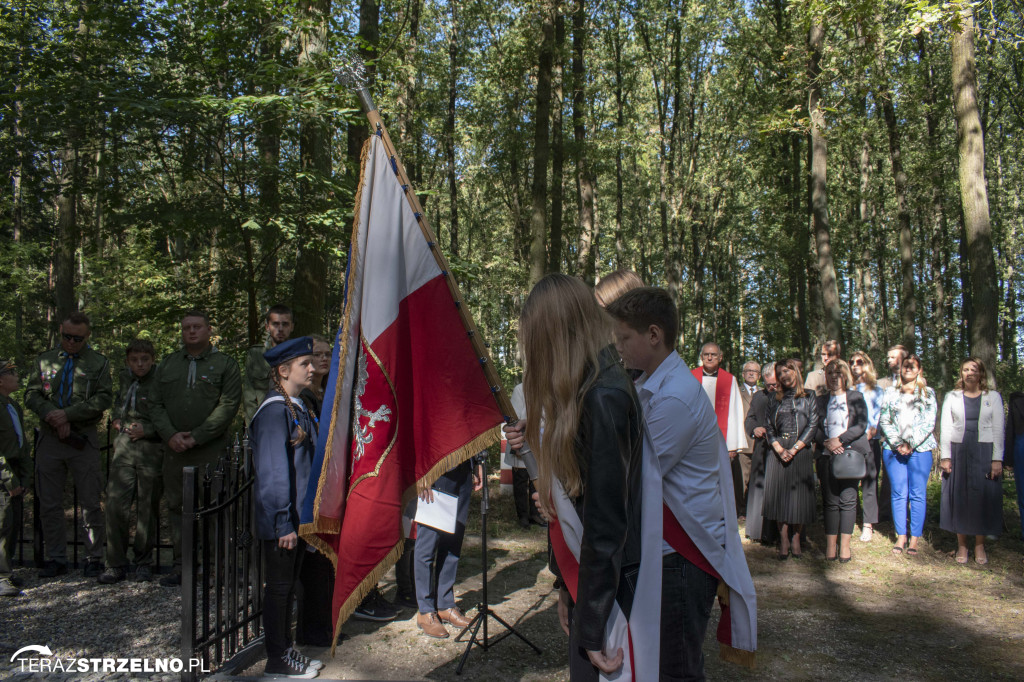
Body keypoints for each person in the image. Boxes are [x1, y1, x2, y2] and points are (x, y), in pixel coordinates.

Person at [504, 274, 651, 681]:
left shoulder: (603, 396)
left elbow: (606, 525)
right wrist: (567, 588)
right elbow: (578, 495)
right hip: (595, 584)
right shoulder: (588, 388)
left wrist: (592, 624)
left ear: (554, 334)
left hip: (615, 591)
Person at [607, 287, 757, 678]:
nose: (618, 347)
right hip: (670, 549)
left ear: (653, 335)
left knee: (675, 666)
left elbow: (628, 473)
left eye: (624, 338)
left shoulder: (674, 398)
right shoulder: (654, 384)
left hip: (682, 554)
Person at [150, 310, 242, 586]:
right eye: (187, 327)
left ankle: (217, 568)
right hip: (174, 451)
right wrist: (170, 435)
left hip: (210, 450)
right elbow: (155, 404)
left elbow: (228, 406)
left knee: (214, 507)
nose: (191, 331)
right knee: (178, 508)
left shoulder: (225, 364)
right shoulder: (167, 365)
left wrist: (197, 437)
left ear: (208, 330)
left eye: (197, 327)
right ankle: (184, 566)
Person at [251, 336, 322, 678]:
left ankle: (286, 649)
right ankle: (276, 659)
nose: (312, 368)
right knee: (279, 590)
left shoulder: (301, 405)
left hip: (298, 518)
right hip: (283, 522)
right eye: (305, 364)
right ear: (283, 370)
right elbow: (274, 472)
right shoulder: (274, 412)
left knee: (290, 586)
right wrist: (283, 523)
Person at [25, 311, 112, 578]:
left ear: (87, 336)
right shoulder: (45, 360)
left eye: (78, 338)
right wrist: (53, 415)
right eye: (67, 336)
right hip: (50, 440)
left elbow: (104, 398)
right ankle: (56, 557)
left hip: (82, 440)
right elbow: (31, 394)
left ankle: (94, 557)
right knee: (49, 502)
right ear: (60, 331)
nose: (72, 342)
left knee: (90, 502)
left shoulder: (98, 363)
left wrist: (68, 415)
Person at [99, 339, 164, 584]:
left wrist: (147, 430)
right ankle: (115, 563)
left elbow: (168, 414)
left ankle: (143, 562)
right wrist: (117, 419)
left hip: (150, 449)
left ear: (152, 359)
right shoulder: (126, 378)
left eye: (144, 359)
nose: (139, 364)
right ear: (127, 361)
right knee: (116, 505)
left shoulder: (161, 380)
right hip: (124, 447)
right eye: (134, 360)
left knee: (147, 509)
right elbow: (119, 403)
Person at [939, 358, 1004, 565]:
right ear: (961, 373)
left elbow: (998, 429)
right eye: (965, 369)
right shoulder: (952, 396)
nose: (969, 373)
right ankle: (962, 545)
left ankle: (979, 545)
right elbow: (946, 427)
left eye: (973, 370)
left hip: (984, 450)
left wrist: (997, 459)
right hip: (959, 450)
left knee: (981, 498)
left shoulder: (992, 397)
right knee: (960, 497)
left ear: (980, 373)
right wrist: (945, 456)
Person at [414, 454, 485, 638]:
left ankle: (445, 604)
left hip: (463, 465)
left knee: (453, 543)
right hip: (435, 467)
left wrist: (477, 462)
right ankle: (425, 611)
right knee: (427, 546)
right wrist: (422, 471)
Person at [295, 334, 337, 645]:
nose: (322, 360)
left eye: (327, 354)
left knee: (326, 560)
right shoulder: (301, 399)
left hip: (329, 484)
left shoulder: (328, 393)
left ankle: (325, 621)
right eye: (316, 355)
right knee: (313, 560)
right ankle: (313, 627)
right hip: (309, 484)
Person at [878, 354, 937, 557]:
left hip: (919, 450)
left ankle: (915, 538)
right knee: (898, 493)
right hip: (893, 450)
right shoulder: (890, 392)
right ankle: (901, 535)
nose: (909, 369)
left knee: (917, 494)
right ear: (900, 369)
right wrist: (897, 443)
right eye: (905, 366)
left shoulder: (927, 393)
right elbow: (884, 419)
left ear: (919, 369)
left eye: (913, 366)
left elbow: (929, 422)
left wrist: (910, 443)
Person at [813, 360, 870, 563]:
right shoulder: (820, 400)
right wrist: (827, 443)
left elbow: (862, 424)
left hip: (850, 455)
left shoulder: (856, 397)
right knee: (830, 502)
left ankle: (844, 547)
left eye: (839, 372)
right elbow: (814, 428)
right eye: (830, 373)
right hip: (827, 456)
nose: (834, 376)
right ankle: (830, 546)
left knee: (848, 501)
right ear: (826, 376)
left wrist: (841, 440)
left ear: (845, 375)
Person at [763, 358, 818, 559]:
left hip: (800, 451)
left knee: (799, 499)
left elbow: (813, 425)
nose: (785, 375)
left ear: (796, 371)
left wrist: (794, 449)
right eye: (780, 372)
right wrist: (778, 448)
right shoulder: (773, 398)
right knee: (779, 497)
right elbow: (768, 426)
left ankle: (796, 538)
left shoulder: (809, 396)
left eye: (788, 370)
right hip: (778, 452)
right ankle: (784, 538)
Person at [1, 359, 33, 597]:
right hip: (3, 474)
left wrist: (24, 478)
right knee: (2, 525)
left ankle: (7, 570)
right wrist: (9, 481)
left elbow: (22, 444)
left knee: (12, 525)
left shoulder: (13, 406)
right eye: (12, 372)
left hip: (15, 471)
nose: (16, 375)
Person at [850, 350, 886, 540]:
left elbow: (877, 417)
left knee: (870, 482)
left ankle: (868, 524)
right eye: (852, 362)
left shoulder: (877, 389)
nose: (855, 365)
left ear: (867, 364)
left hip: (869, 440)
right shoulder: (848, 388)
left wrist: (870, 433)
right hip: (849, 441)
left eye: (860, 361)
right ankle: (849, 519)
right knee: (849, 481)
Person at [693, 342, 746, 468]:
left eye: (713, 355)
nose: (709, 358)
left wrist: (732, 445)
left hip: (720, 440)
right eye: (706, 354)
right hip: (695, 439)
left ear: (720, 357)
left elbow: (735, 413)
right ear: (701, 357)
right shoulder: (691, 377)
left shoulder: (729, 380)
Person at [243, 304, 294, 424]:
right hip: (263, 420)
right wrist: (253, 426)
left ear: (292, 327)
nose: (280, 329)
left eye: (285, 324)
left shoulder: (299, 357)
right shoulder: (256, 355)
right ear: (267, 327)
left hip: (292, 420)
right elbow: (249, 397)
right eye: (275, 324)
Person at [744, 363, 778, 544]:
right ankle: (757, 531)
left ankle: (776, 533)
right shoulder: (758, 397)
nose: (772, 388)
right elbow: (749, 419)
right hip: (761, 450)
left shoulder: (788, 396)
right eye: (768, 385)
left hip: (781, 451)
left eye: (775, 384)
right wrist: (754, 428)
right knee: (759, 489)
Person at [507, 383, 543, 529]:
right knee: (521, 482)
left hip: (538, 444)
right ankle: (523, 516)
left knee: (536, 480)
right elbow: (513, 419)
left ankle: (536, 515)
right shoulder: (520, 389)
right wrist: (517, 447)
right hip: (521, 442)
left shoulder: (546, 388)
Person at [735, 361, 761, 517]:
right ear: (743, 374)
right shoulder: (736, 391)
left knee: (756, 478)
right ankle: (740, 510)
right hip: (743, 441)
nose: (751, 373)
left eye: (755, 371)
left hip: (760, 443)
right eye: (748, 371)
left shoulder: (764, 392)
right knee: (741, 480)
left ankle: (754, 511)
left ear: (759, 375)